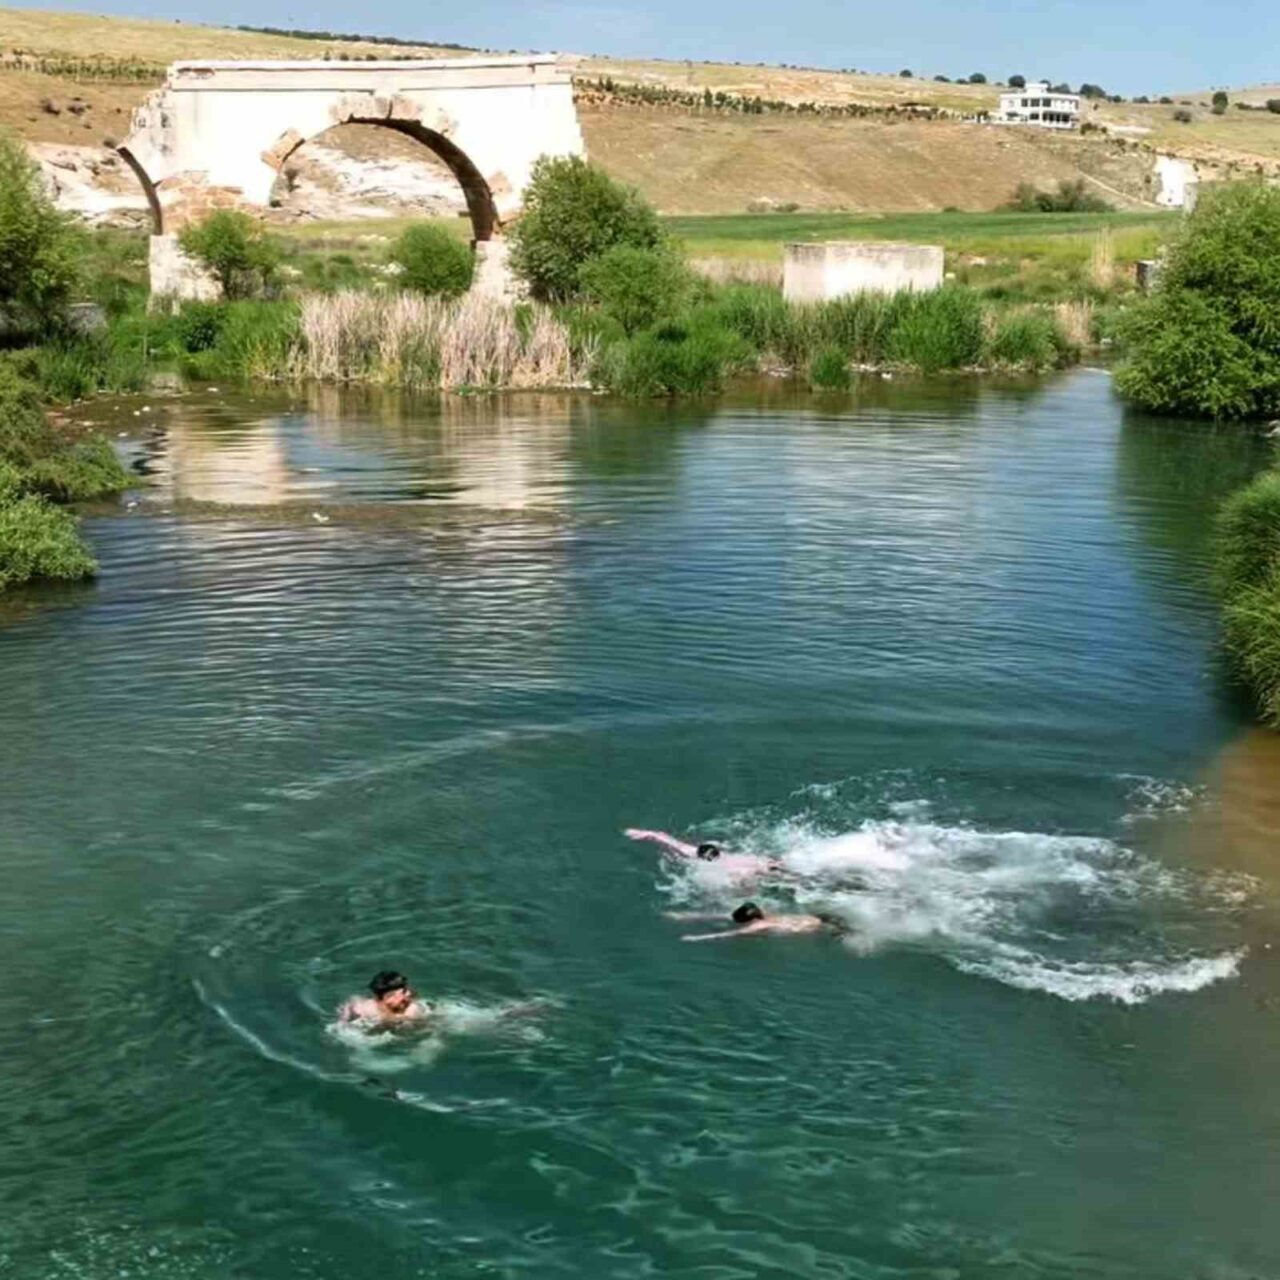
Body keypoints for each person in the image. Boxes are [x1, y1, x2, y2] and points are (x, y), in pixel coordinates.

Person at [624, 828, 784, 882]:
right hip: (755, 864)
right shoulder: (734, 857)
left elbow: (667, 839)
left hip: (747, 871)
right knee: (770, 868)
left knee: (759, 872)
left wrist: (645, 833)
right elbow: (663, 837)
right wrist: (648, 834)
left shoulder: (697, 857)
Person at [676, 901, 840, 942]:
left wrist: (696, 938)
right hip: (819, 917)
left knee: (843, 934)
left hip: (817, 927)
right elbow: (726, 915)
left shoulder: (760, 925)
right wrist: (688, 916)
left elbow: (730, 933)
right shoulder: (763, 913)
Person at [338, 970, 433, 1027]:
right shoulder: (365, 1009)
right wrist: (343, 1021)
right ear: (378, 999)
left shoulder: (413, 1011)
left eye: (404, 991)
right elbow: (351, 1003)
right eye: (392, 995)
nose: (406, 994)